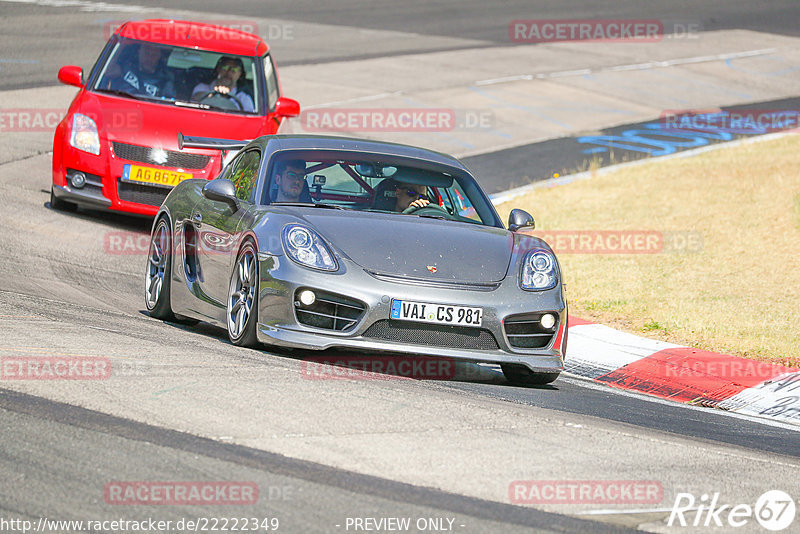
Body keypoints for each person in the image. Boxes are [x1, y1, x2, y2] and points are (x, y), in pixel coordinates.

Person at [104, 43, 175, 99]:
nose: (149, 58)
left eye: (153, 55)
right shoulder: (125, 68)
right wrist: (122, 45)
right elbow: (108, 71)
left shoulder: (165, 81)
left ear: (159, 56)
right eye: (146, 53)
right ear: (139, 52)